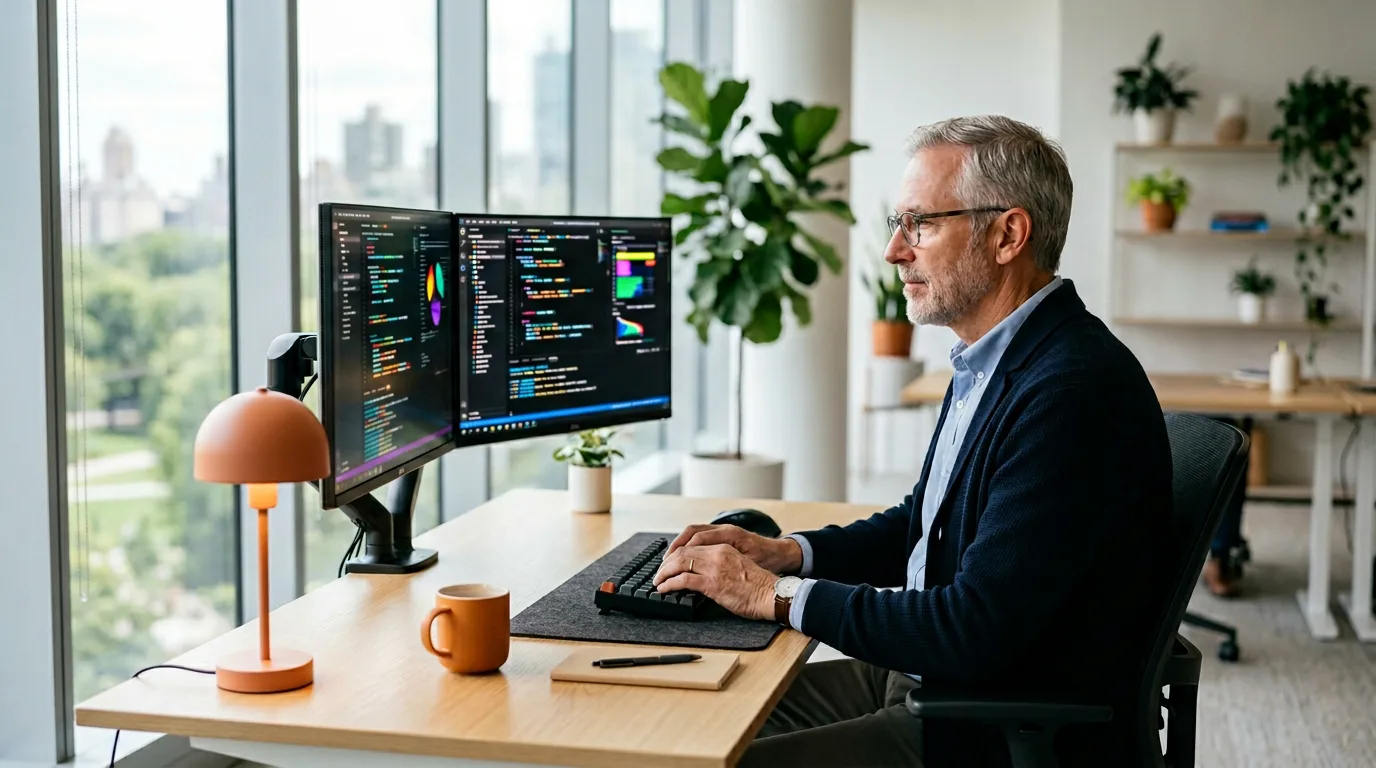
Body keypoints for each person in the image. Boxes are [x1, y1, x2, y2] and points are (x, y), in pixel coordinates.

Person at [652, 116, 1173, 767]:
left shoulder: (1070, 390)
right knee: (683, 722)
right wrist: (785, 553)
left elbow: (972, 629)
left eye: (921, 223)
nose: (896, 250)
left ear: (1009, 234)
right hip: (924, 678)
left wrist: (769, 597)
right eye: (899, 225)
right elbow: (920, 529)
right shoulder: (993, 359)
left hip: (986, 723)